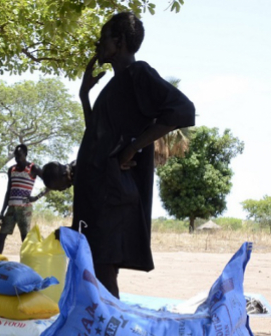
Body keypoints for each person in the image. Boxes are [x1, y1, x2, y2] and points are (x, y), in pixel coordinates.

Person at [74, 12, 195, 297]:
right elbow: (97, 134)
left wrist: (133, 147)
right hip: (98, 190)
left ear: (119, 41)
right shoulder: (114, 86)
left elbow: (183, 110)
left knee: (102, 271)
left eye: (104, 38)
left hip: (113, 193)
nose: (98, 45)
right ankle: (106, 334)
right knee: (95, 268)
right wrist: (84, 96)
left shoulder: (138, 74)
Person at [0, 144, 49, 254]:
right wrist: (2, 212)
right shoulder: (12, 170)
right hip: (11, 208)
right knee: (1, 236)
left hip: (25, 209)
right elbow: (8, 191)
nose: (17, 159)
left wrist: (36, 197)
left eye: (19, 155)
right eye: (15, 156)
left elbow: (50, 183)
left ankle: (26, 266)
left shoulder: (33, 168)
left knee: (25, 239)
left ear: (25, 154)